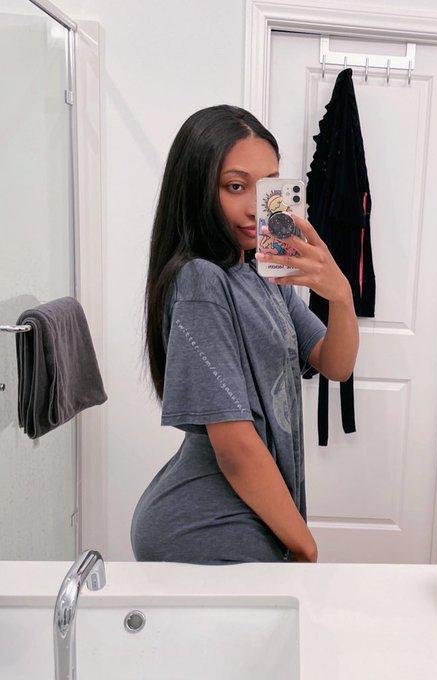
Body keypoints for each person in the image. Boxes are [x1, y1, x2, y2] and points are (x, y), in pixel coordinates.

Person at [130, 104, 358, 565]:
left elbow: (336, 364)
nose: (257, 207)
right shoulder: (201, 281)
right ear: (197, 190)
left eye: (268, 185)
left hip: (251, 513)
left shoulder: (262, 274)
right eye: (235, 186)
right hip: (207, 525)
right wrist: (305, 546)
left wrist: (340, 294)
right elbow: (235, 447)